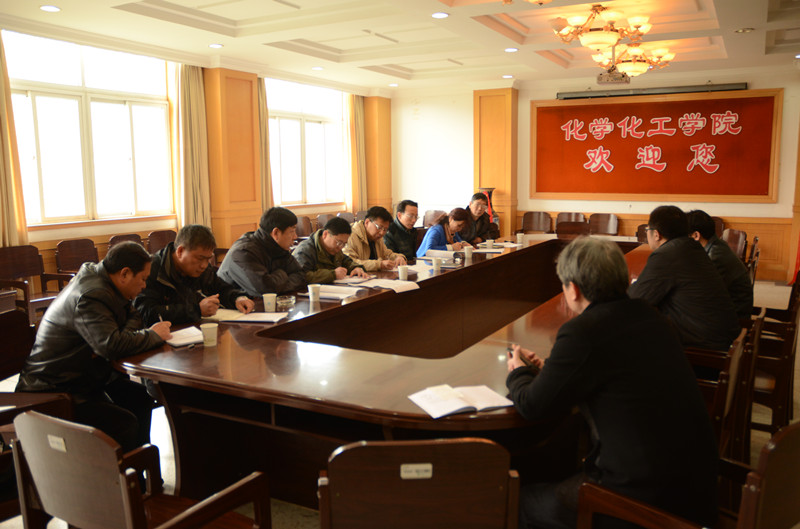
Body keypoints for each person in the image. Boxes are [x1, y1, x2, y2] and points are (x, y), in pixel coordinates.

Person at [506, 237, 718, 529]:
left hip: (641, 498)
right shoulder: (652, 316)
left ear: (573, 289)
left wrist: (517, 372)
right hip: (694, 485)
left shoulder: (583, 332)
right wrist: (553, 371)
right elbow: (615, 377)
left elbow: (532, 406)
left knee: (517, 501)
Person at [16, 242, 172, 452]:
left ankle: (138, 467)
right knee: (124, 423)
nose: (144, 285)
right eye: (143, 279)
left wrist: (124, 333)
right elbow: (110, 345)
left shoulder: (106, 283)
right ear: (125, 273)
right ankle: (117, 471)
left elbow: (133, 315)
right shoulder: (91, 295)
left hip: (83, 379)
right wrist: (153, 335)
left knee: (140, 398)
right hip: (52, 390)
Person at [628, 205, 740, 351]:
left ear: (656, 234)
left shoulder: (667, 254)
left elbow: (636, 300)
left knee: (631, 331)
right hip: (721, 335)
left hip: (705, 345)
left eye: (647, 230)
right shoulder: (692, 247)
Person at [134, 224, 254, 326]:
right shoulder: (152, 270)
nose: (204, 265)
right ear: (180, 251)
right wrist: (196, 310)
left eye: (208, 259)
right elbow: (146, 312)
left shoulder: (202, 269)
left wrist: (238, 298)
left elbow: (222, 289)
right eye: (200, 258)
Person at [217, 207, 306, 297]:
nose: (295, 236)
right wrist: (282, 273)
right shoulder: (243, 252)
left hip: (265, 302)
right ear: (276, 233)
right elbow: (265, 290)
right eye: (292, 231)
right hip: (234, 303)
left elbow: (301, 276)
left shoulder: (279, 247)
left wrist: (277, 286)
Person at [687, 209, 754, 319]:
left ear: (696, 235)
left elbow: (701, 292)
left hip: (734, 316)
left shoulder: (715, 256)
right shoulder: (716, 245)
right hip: (732, 307)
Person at [293, 217, 370, 284]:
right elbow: (301, 277)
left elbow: (346, 261)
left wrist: (355, 268)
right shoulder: (305, 250)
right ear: (325, 234)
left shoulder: (335, 249)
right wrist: (333, 274)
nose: (341, 247)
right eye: (339, 242)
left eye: (344, 244)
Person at [343, 206, 406, 271]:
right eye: (379, 227)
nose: (382, 233)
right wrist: (379, 264)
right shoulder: (350, 236)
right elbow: (350, 263)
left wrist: (398, 257)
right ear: (367, 222)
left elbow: (386, 254)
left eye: (385, 229)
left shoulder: (377, 237)